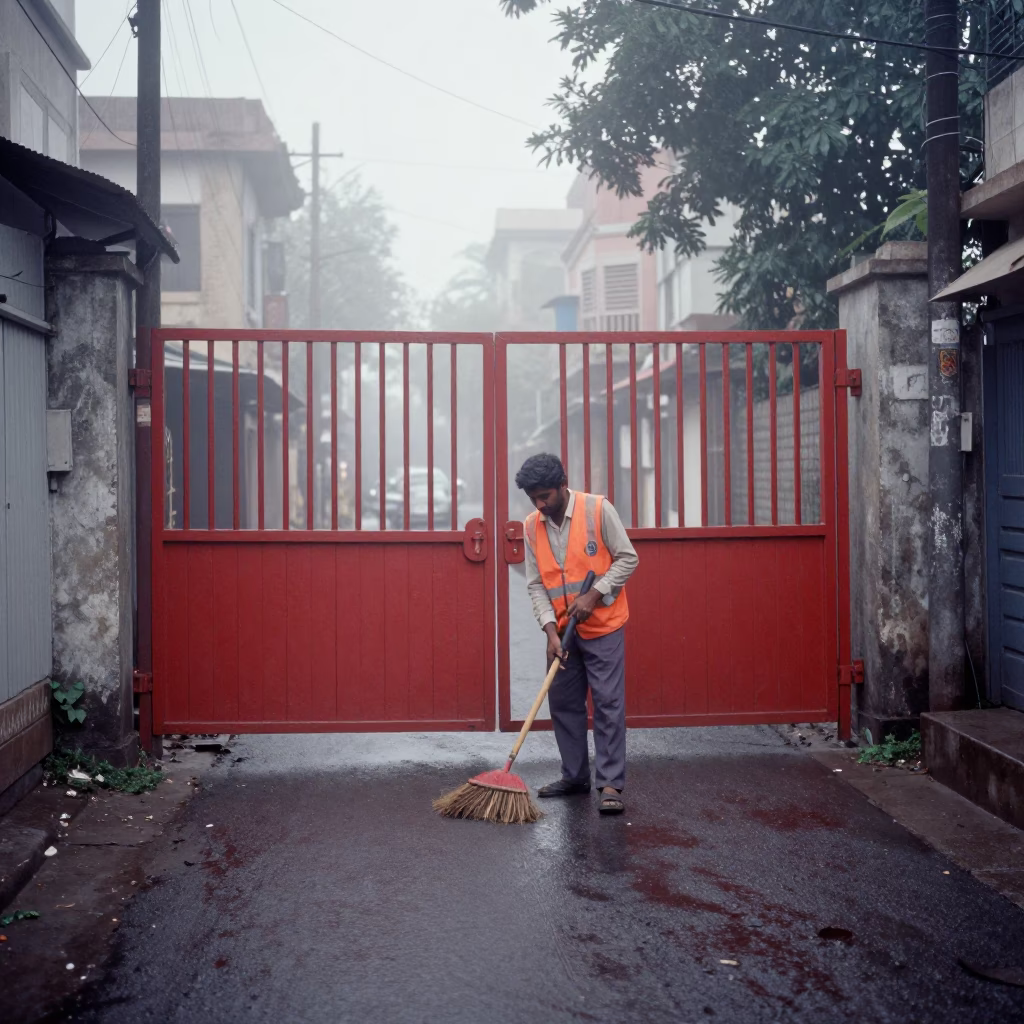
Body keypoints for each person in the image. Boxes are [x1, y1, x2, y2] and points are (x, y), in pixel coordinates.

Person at [515, 453, 638, 815]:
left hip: (603, 627)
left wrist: (594, 594)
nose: (540, 504)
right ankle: (575, 776)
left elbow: (628, 558)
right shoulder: (530, 526)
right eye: (533, 498)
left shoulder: (598, 510)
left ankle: (611, 783)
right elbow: (536, 585)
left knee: (608, 703)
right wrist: (549, 631)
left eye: (545, 496)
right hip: (561, 634)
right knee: (564, 705)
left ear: (562, 485)